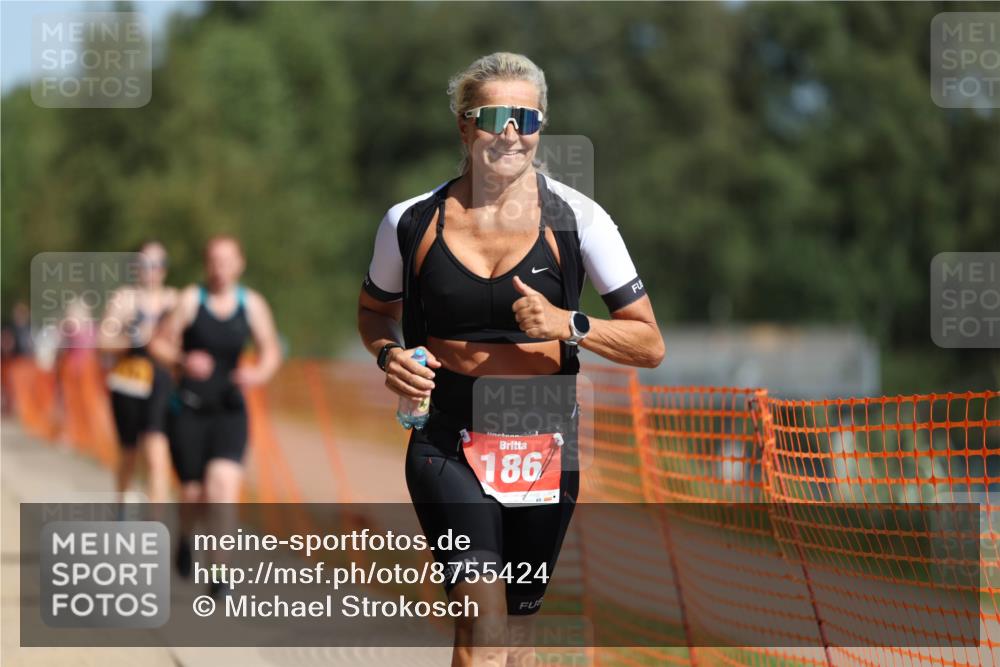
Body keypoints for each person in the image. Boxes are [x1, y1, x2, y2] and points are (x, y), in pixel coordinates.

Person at [357, 52, 664, 666]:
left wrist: (569, 324)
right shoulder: (410, 222)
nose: (512, 132)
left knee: (519, 633)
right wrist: (389, 354)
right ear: (465, 125)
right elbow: (373, 312)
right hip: (447, 440)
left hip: (544, 440)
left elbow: (649, 344)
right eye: (496, 117)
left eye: (527, 118)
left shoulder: (579, 220)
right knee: (485, 629)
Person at [149, 235, 282, 596]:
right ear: (206, 264)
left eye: (227, 261)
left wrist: (258, 373)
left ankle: (220, 571)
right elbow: (158, 343)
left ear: (240, 264)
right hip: (190, 409)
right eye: (214, 261)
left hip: (230, 409)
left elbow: (271, 350)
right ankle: (185, 537)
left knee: (222, 485)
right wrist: (182, 360)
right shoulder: (191, 300)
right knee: (193, 493)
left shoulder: (251, 304)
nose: (220, 268)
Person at [99, 241, 178, 504]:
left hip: (162, 383)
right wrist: (136, 340)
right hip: (128, 383)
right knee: (129, 453)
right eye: (146, 264)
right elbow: (103, 341)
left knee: (157, 454)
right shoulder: (124, 298)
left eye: (158, 264)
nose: (152, 270)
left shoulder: (175, 300)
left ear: (165, 269)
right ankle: (121, 507)